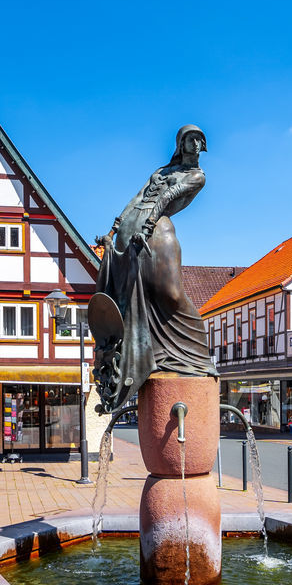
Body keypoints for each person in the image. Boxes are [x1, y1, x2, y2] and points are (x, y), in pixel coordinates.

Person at [92, 125, 219, 413]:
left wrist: (147, 227)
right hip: (133, 227)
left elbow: (167, 199)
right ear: (180, 143)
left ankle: (191, 353)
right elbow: (137, 198)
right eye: (190, 139)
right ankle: (151, 350)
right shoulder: (161, 170)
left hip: (155, 226)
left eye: (200, 140)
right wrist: (113, 231)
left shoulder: (196, 176)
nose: (196, 144)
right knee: (135, 291)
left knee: (171, 293)